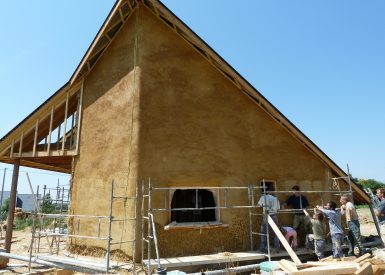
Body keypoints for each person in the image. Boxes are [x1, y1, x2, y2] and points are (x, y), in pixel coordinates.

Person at [257, 186, 280, 253]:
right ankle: (277, 248)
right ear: (272, 192)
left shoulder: (263, 197)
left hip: (266, 215)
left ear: (267, 191)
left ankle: (264, 247)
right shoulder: (276, 199)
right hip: (274, 215)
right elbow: (278, 209)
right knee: (276, 232)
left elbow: (258, 205)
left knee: (264, 232)